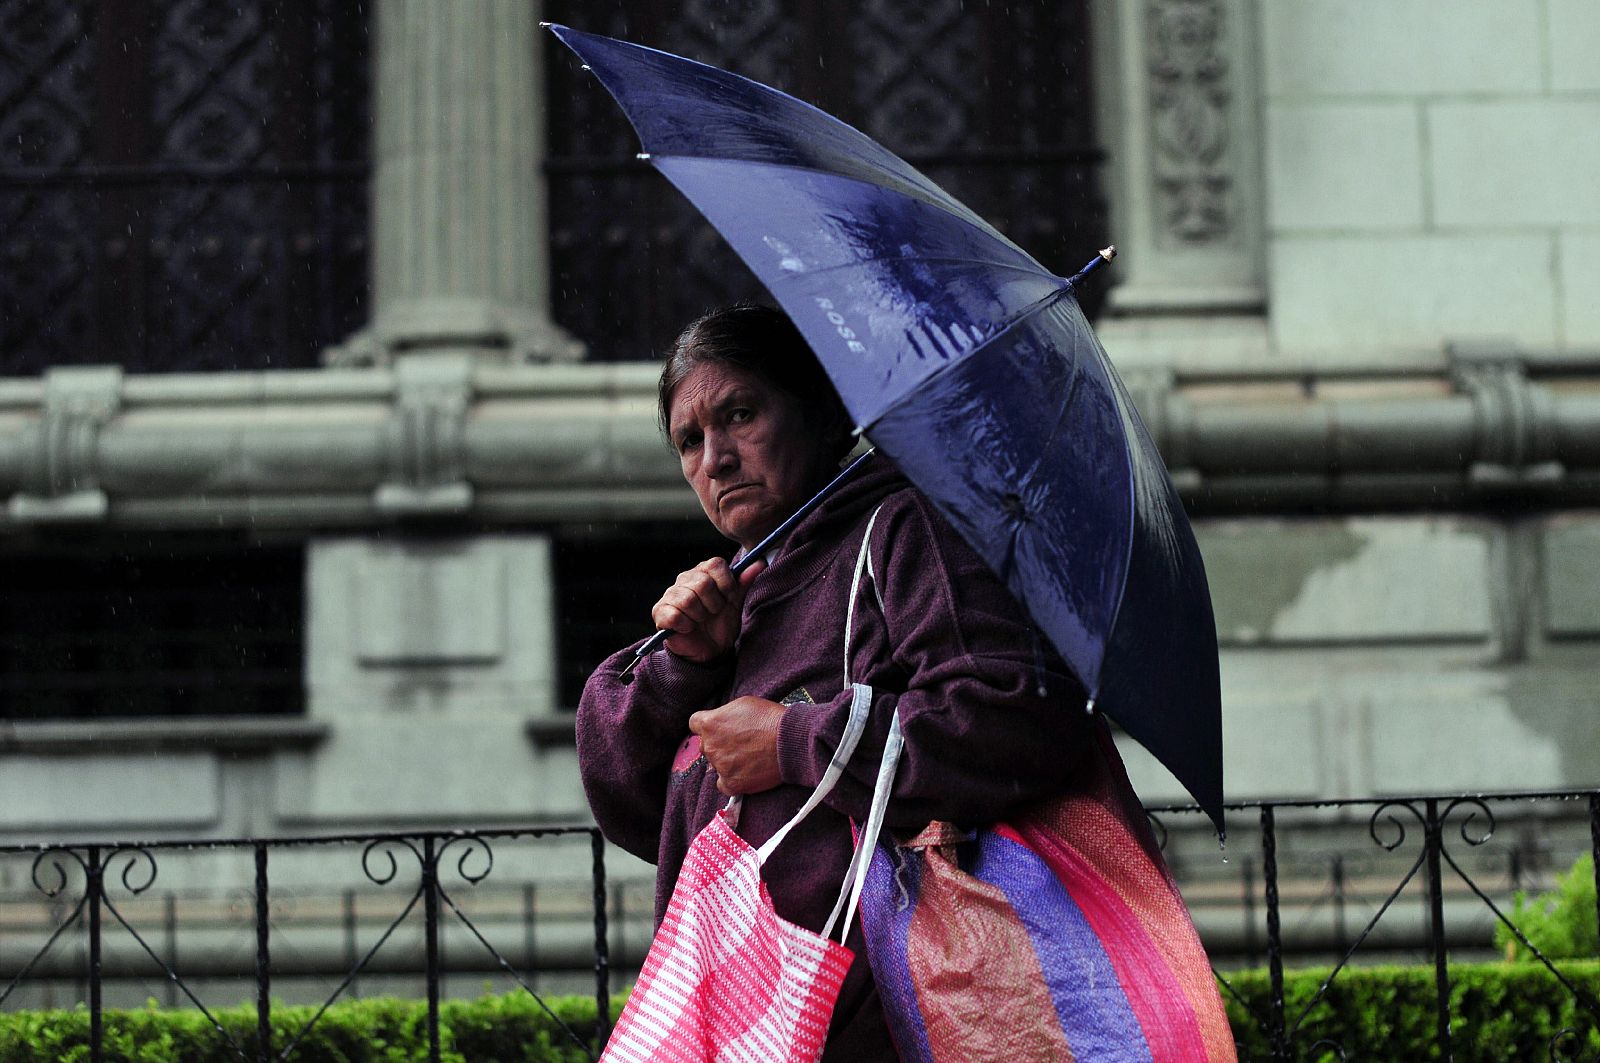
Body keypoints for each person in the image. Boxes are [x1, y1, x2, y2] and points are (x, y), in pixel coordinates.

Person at [577, 304, 1229, 1060]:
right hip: (758, 1023)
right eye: (690, 440)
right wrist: (684, 665)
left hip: (896, 1018)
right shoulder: (735, 598)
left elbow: (1013, 714)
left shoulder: (909, 530)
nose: (715, 458)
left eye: (741, 415)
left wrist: (793, 741)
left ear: (822, 412)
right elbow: (632, 802)